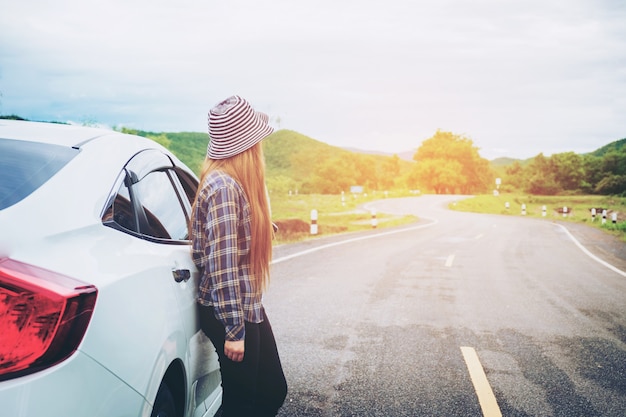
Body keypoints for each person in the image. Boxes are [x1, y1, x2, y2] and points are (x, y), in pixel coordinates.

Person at [191, 95, 288, 417]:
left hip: (246, 303)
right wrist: (234, 331)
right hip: (230, 310)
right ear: (247, 145)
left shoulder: (232, 184)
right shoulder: (224, 188)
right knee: (242, 404)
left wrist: (260, 227)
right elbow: (222, 268)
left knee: (271, 390)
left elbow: (230, 239)